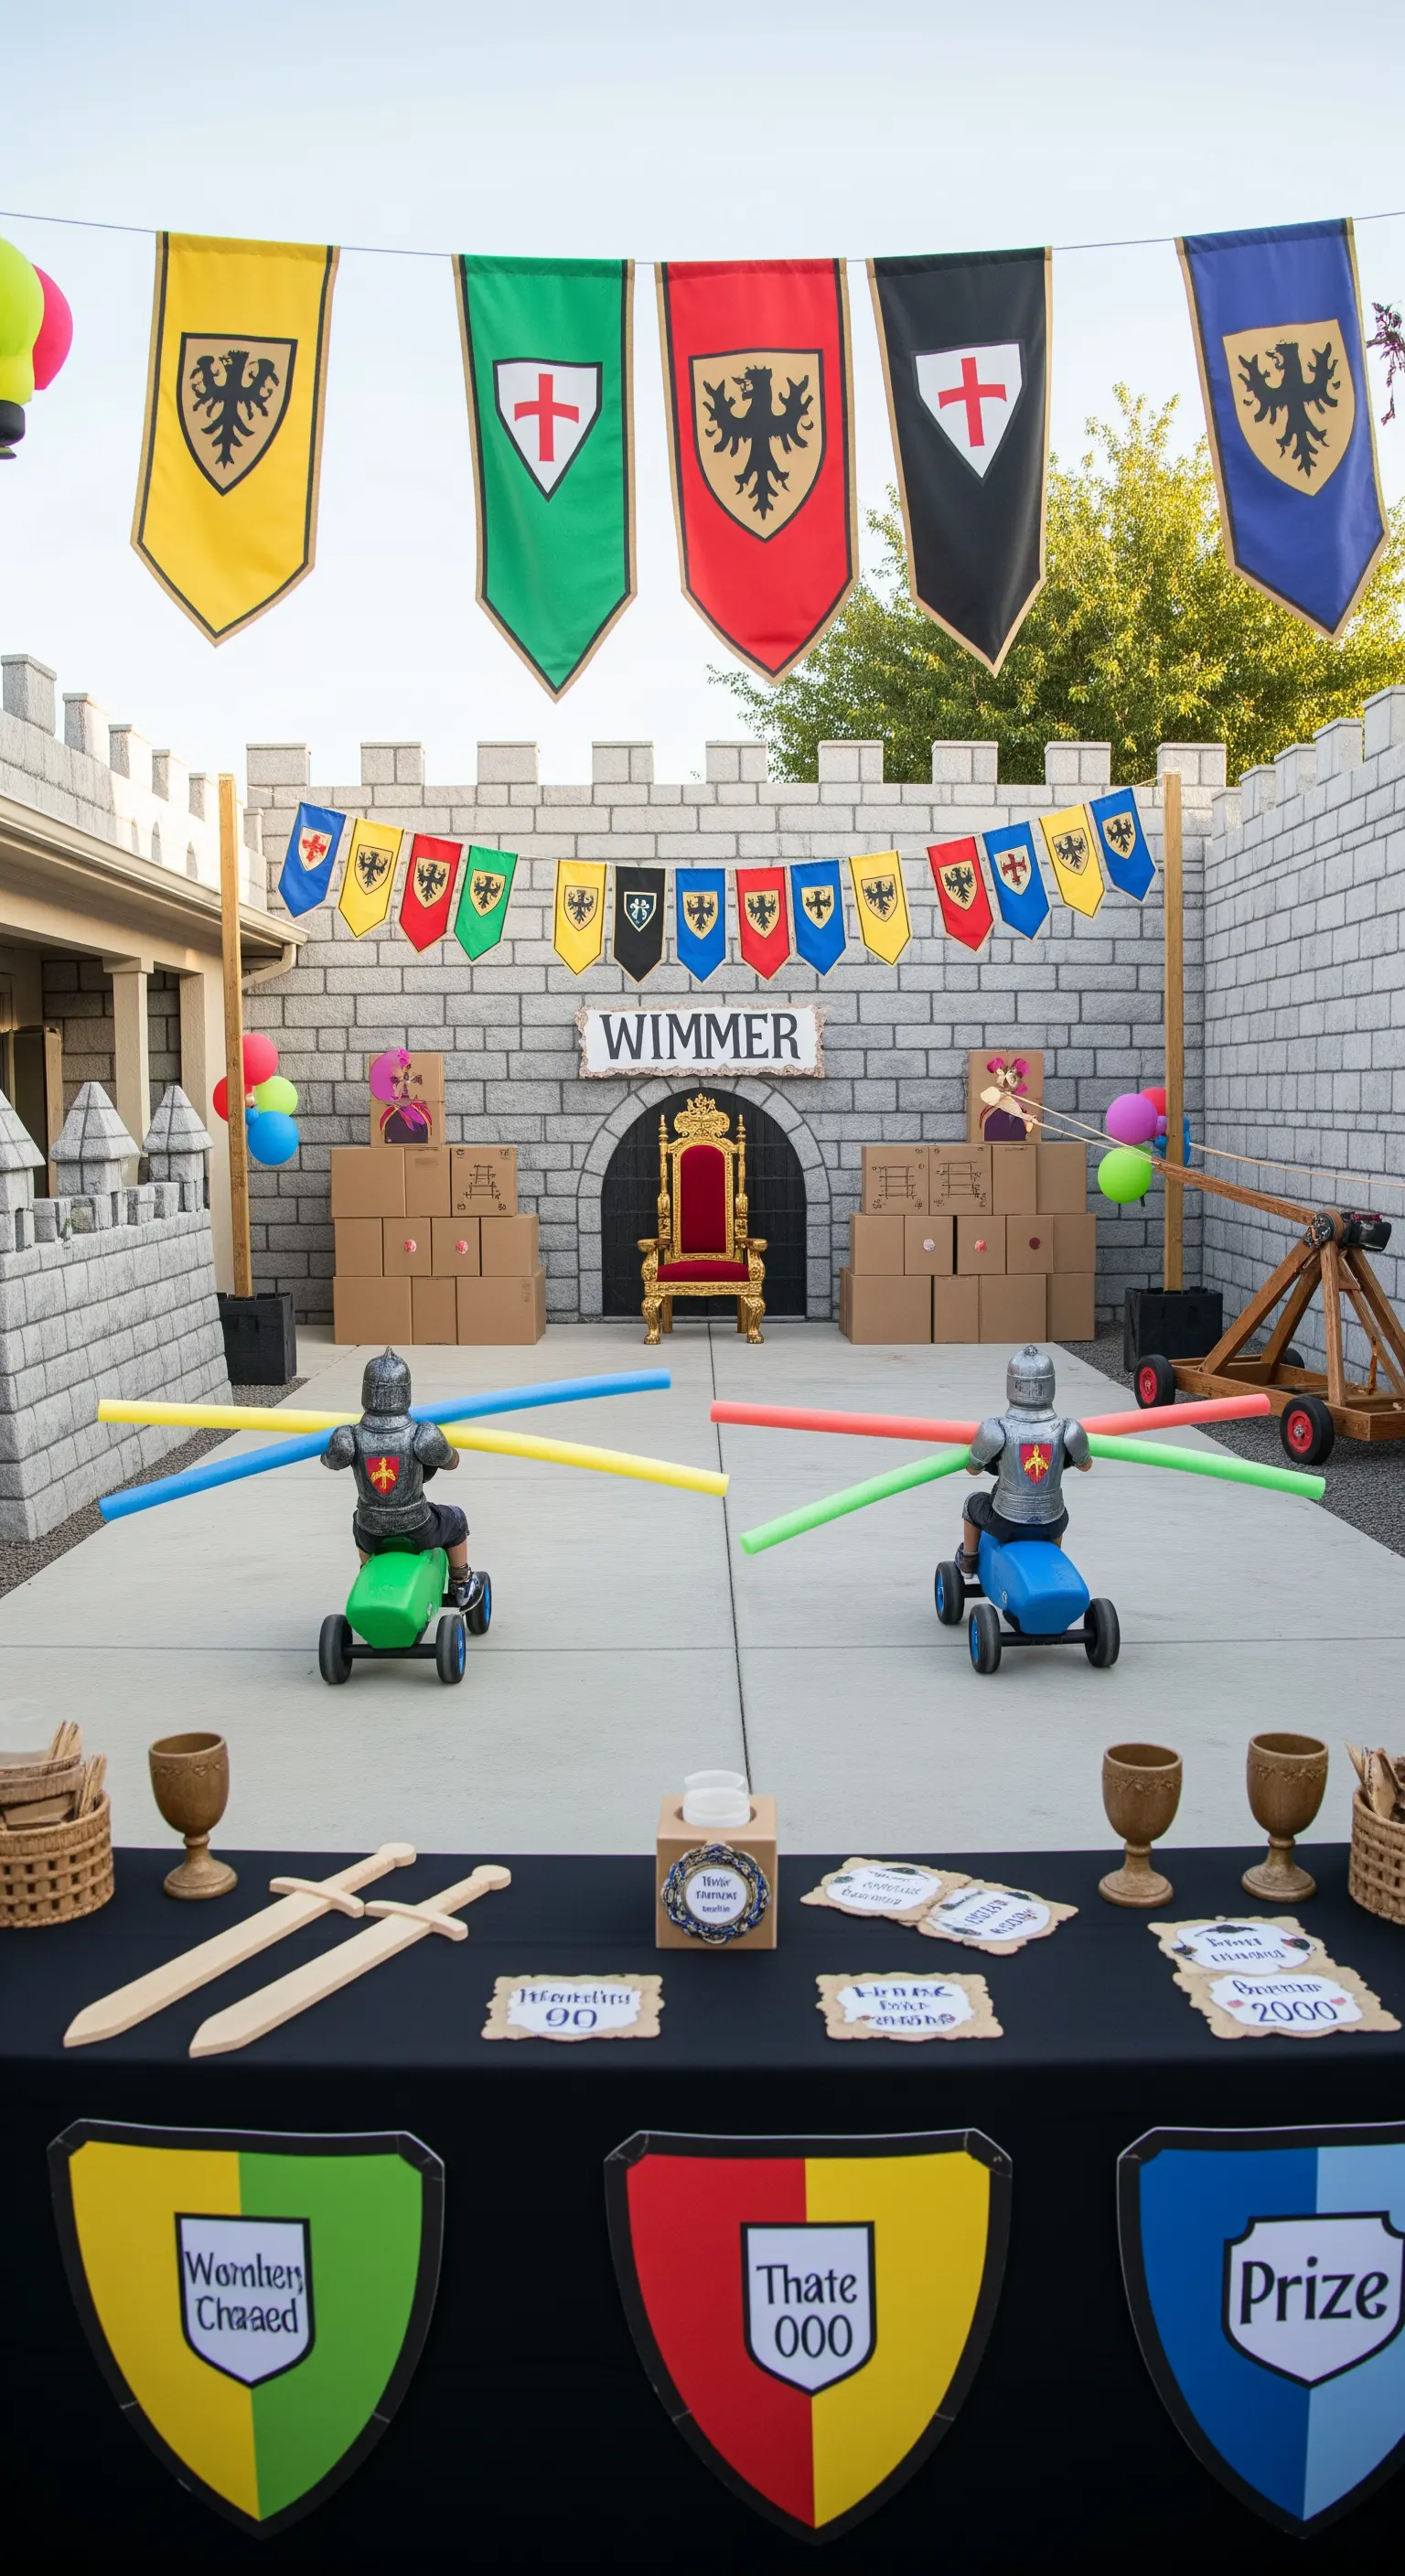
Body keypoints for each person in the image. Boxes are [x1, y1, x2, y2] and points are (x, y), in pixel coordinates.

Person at [322, 1348, 484, 1615]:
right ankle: (461, 1582)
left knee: (357, 1520)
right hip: (418, 1527)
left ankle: (368, 1572)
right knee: (455, 1519)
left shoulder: (348, 1436)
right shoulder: (422, 1434)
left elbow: (329, 1460)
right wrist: (446, 1445)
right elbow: (451, 1461)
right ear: (405, 1392)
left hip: (370, 1531)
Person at [957, 1343, 1090, 1575]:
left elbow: (973, 1469)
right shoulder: (1068, 1429)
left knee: (972, 1503)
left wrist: (982, 1453)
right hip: (1052, 1523)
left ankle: (969, 1563)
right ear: (1050, 1384)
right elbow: (1086, 1465)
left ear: (1012, 1384)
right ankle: (1053, 1566)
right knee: (1059, 1511)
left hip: (1007, 1523)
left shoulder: (995, 1429)